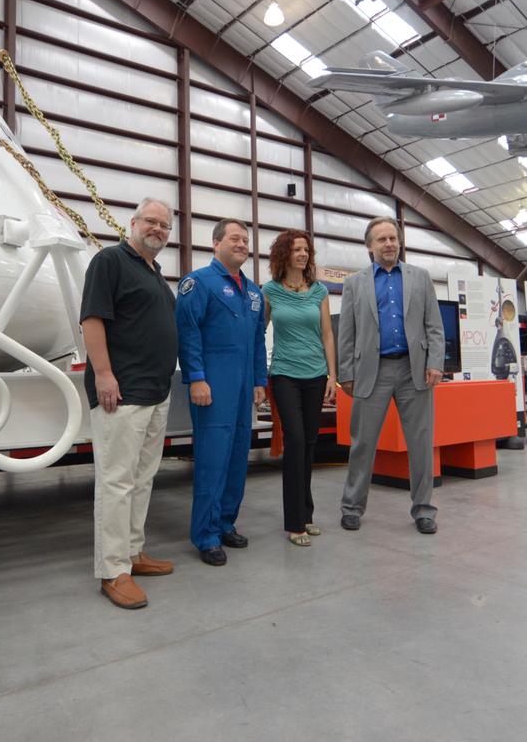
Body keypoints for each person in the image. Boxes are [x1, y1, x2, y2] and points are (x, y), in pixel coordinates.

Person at [80, 199, 178, 610]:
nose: (158, 229)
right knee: (116, 482)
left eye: (165, 225)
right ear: (133, 223)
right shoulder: (110, 262)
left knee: (142, 479)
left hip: (156, 392)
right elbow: (92, 319)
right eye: (151, 221)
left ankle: (134, 553)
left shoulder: (155, 274)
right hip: (121, 392)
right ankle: (112, 569)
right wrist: (104, 373)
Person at [336, 216, 444, 534]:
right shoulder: (354, 283)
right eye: (381, 239)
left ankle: (424, 509)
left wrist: (435, 362)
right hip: (373, 371)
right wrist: (346, 373)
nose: (389, 244)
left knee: (421, 443)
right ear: (369, 246)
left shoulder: (420, 278)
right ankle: (352, 507)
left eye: (393, 238)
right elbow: (347, 332)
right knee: (363, 443)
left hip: (416, 372)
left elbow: (434, 326)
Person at [176, 219, 268, 565]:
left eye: (246, 240)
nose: (242, 244)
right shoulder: (197, 284)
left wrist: (261, 380)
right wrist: (196, 378)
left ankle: (226, 522)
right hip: (213, 388)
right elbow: (188, 335)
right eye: (235, 238)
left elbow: (258, 340)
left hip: (244, 389)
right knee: (213, 462)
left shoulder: (255, 292)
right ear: (216, 244)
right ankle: (206, 535)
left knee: (236, 459)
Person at [261, 230, 336, 547]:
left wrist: (332, 376)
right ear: (284, 255)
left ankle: (306, 514)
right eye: (296, 249)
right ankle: (294, 522)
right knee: (294, 440)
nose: (303, 254)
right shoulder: (270, 291)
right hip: (284, 375)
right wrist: (255, 374)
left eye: (306, 249)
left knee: (308, 444)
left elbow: (327, 335)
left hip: (316, 375)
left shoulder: (319, 291)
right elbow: (257, 332)